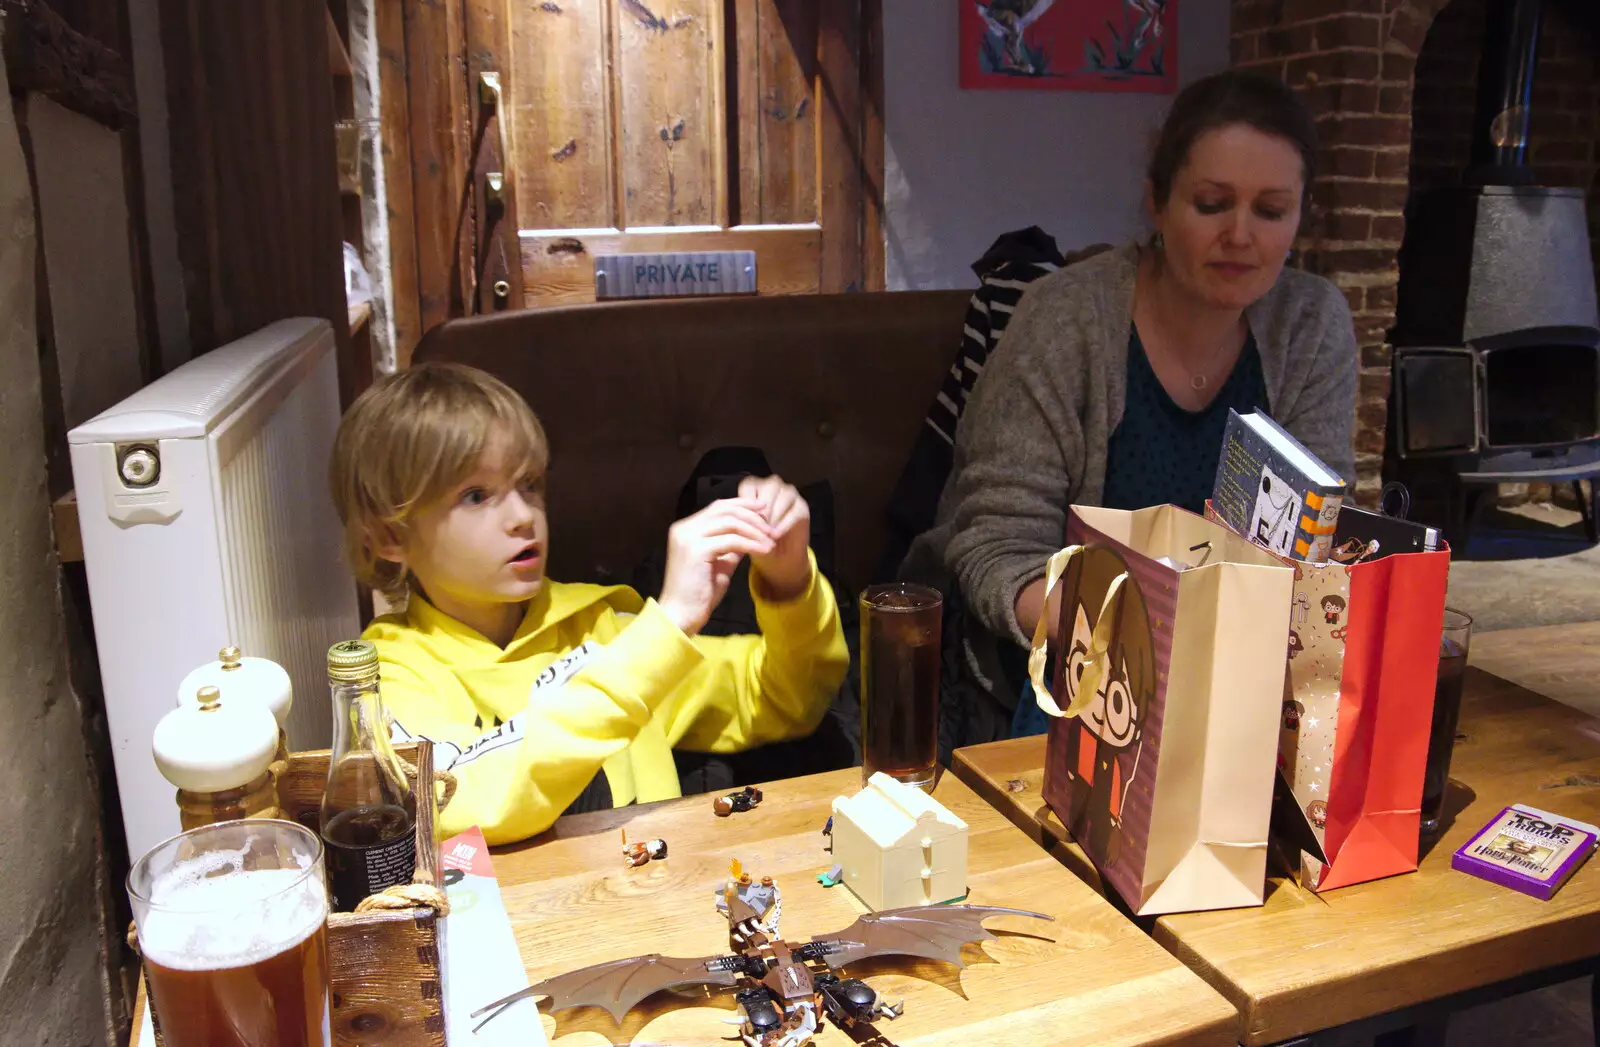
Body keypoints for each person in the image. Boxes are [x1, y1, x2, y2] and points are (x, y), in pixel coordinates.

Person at [908, 70, 1357, 748]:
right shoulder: (1067, 319)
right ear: (1158, 202)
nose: (1241, 234)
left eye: (1270, 211)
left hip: (1245, 678)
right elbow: (997, 552)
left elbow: (1319, 550)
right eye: (1211, 204)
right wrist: (1149, 643)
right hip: (1056, 673)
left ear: (1300, 218)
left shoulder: (1311, 324)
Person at [329, 363, 849, 844]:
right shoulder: (386, 677)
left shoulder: (606, 628)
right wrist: (665, 628)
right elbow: (464, 798)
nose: (522, 516)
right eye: (475, 495)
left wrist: (789, 582)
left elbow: (788, 699)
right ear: (389, 536)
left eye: (529, 483)